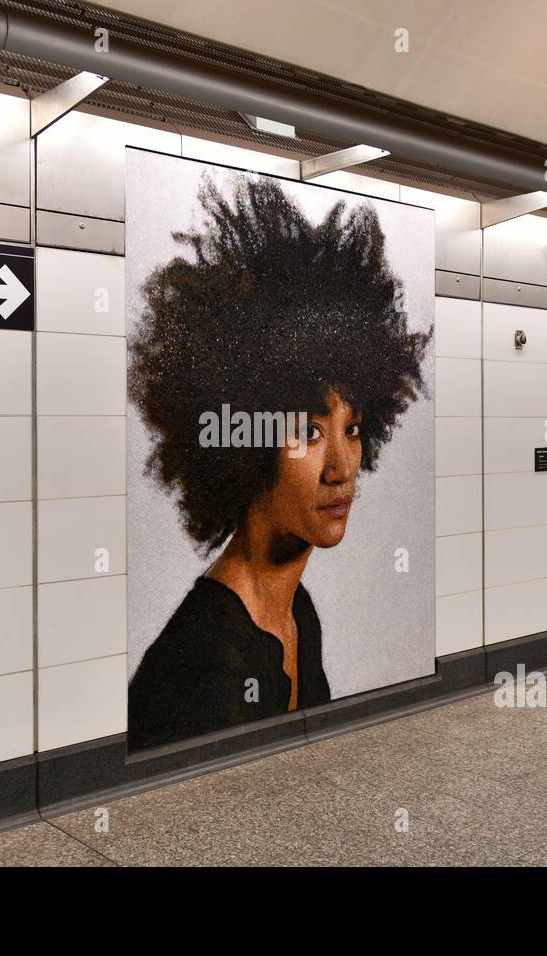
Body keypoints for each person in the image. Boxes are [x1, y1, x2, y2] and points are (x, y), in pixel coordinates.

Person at [127, 171, 430, 751]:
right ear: (247, 444)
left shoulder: (296, 616)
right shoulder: (206, 665)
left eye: (353, 429)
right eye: (309, 433)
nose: (342, 467)